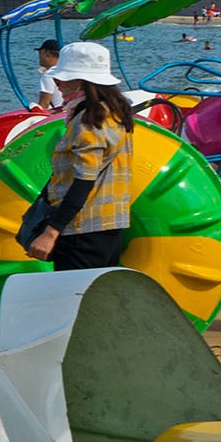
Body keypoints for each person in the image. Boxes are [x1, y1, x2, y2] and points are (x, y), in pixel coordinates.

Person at [22, 41, 133, 273]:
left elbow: (83, 182)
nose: (58, 84)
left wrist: (51, 232)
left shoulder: (88, 122)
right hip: (110, 224)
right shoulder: (116, 113)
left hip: (83, 230)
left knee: (73, 301)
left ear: (81, 81)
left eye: (62, 78)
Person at [35, 40, 63, 111]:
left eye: (40, 53)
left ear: (46, 53)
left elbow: (44, 105)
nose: (39, 56)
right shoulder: (65, 70)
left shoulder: (49, 75)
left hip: (58, 115)